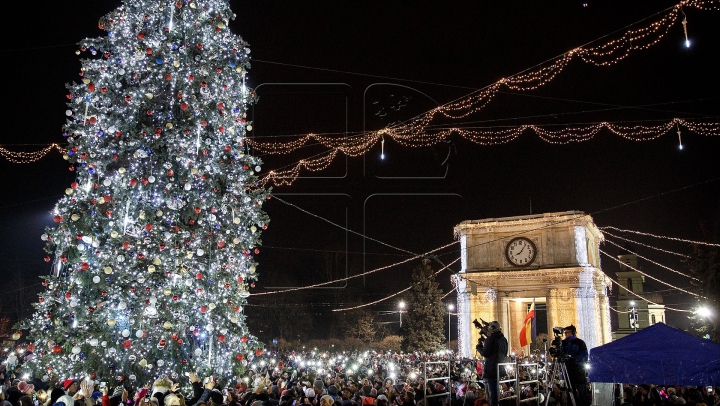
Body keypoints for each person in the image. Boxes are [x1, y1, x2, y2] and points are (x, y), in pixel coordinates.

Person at [479, 321, 508, 406]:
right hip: (500, 368)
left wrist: (479, 347)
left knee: (492, 392)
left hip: (491, 369)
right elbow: (505, 353)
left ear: (492, 329)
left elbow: (485, 353)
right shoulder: (504, 339)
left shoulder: (490, 339)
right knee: (497, 390)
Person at [560, 325, 589, 406]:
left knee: (582, 392)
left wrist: (574, 358)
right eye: (564, 333)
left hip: (578, 370)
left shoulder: (580, 342)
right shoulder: (563, 343)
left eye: (567, 332)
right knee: (570, 392)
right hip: (567, 370)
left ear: (573, 332)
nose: (565, 334)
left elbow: (585, 356)